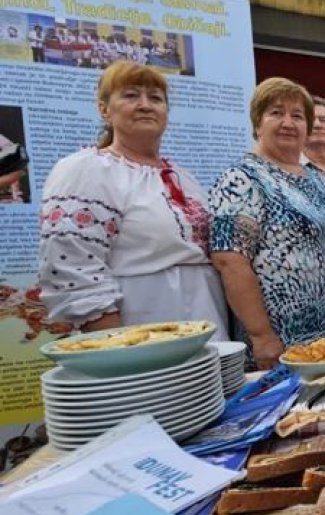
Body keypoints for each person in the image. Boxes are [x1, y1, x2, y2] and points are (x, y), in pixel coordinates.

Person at [38, 61, 228, 338]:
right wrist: (118, 342)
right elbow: (72, 264)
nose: (145, 105)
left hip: (208, 321)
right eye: (130, 95)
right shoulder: (87, 169)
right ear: (104, 110)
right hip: (140, 325)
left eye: (155, 98)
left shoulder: (181, 177)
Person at [209, 77, 325, 369]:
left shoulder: (311, 178)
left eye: (297, 116)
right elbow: (229, 260)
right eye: (276, 113)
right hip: (279, 341)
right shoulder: (242, 179)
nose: (288, 122)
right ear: (257, 123)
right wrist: (262, 337)